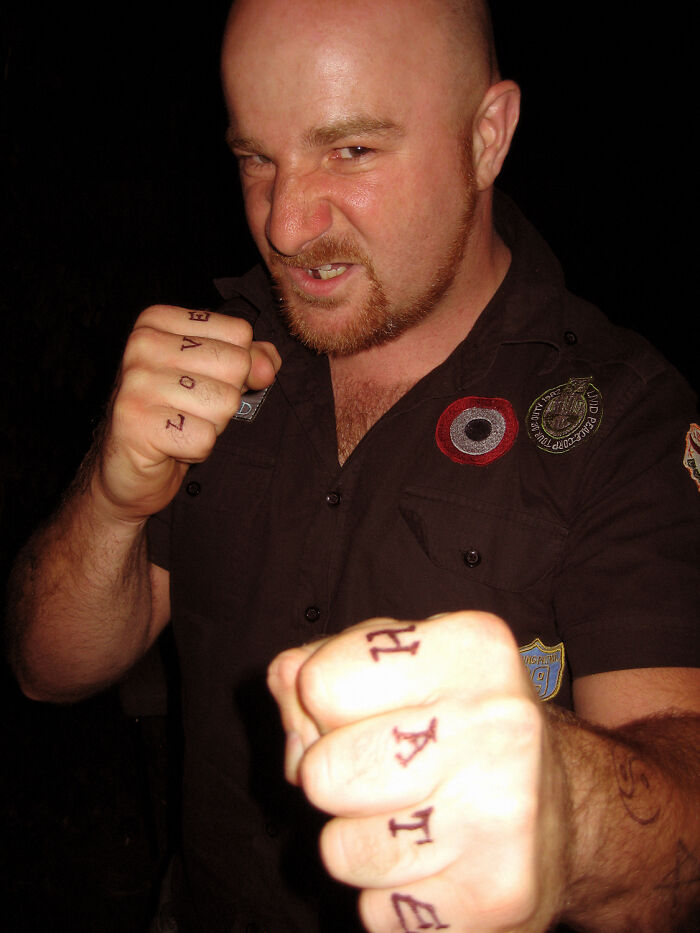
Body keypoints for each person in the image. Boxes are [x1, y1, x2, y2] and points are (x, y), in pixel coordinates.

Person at [7, 0, 700, 930]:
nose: (286, 225)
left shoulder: (623, 417)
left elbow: (684, 822)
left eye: (352, 151)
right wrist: (111, 496)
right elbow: (47, 669)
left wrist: (563, 807)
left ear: (487, 137)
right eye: (256, 158)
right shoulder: (218, 355)